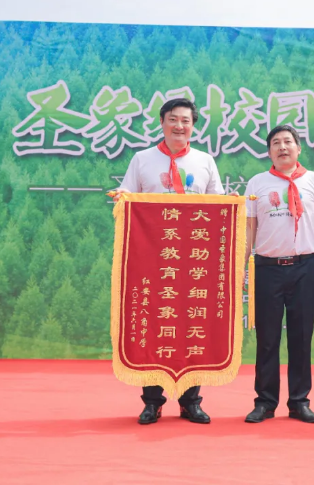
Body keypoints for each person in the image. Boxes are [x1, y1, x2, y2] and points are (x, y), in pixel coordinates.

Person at [114, 98, 225, 425]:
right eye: (173, 119)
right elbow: (126, 196)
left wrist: (230, 205)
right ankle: (152, 401)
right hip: (152, 260)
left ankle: (191, 402)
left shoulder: (205, 161)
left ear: (193, 126)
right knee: (153, 326)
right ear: (162, 123)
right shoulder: (142, 159)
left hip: (195, 261)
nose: (179, 126)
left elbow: (218, 205)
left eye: (186, 121)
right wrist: (121, 198)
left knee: (193, 326)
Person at [243, 125, 314, 424]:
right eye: (276, 143)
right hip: (267, 268)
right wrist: (241, 265)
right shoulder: (257, 183)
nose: (282, 147)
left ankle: (299, 401)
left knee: (301, 337)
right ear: (269, 151)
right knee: (267, 338)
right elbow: (249, 228)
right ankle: (265, 402)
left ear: (299, 148)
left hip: (304, 267)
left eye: (288, 142)